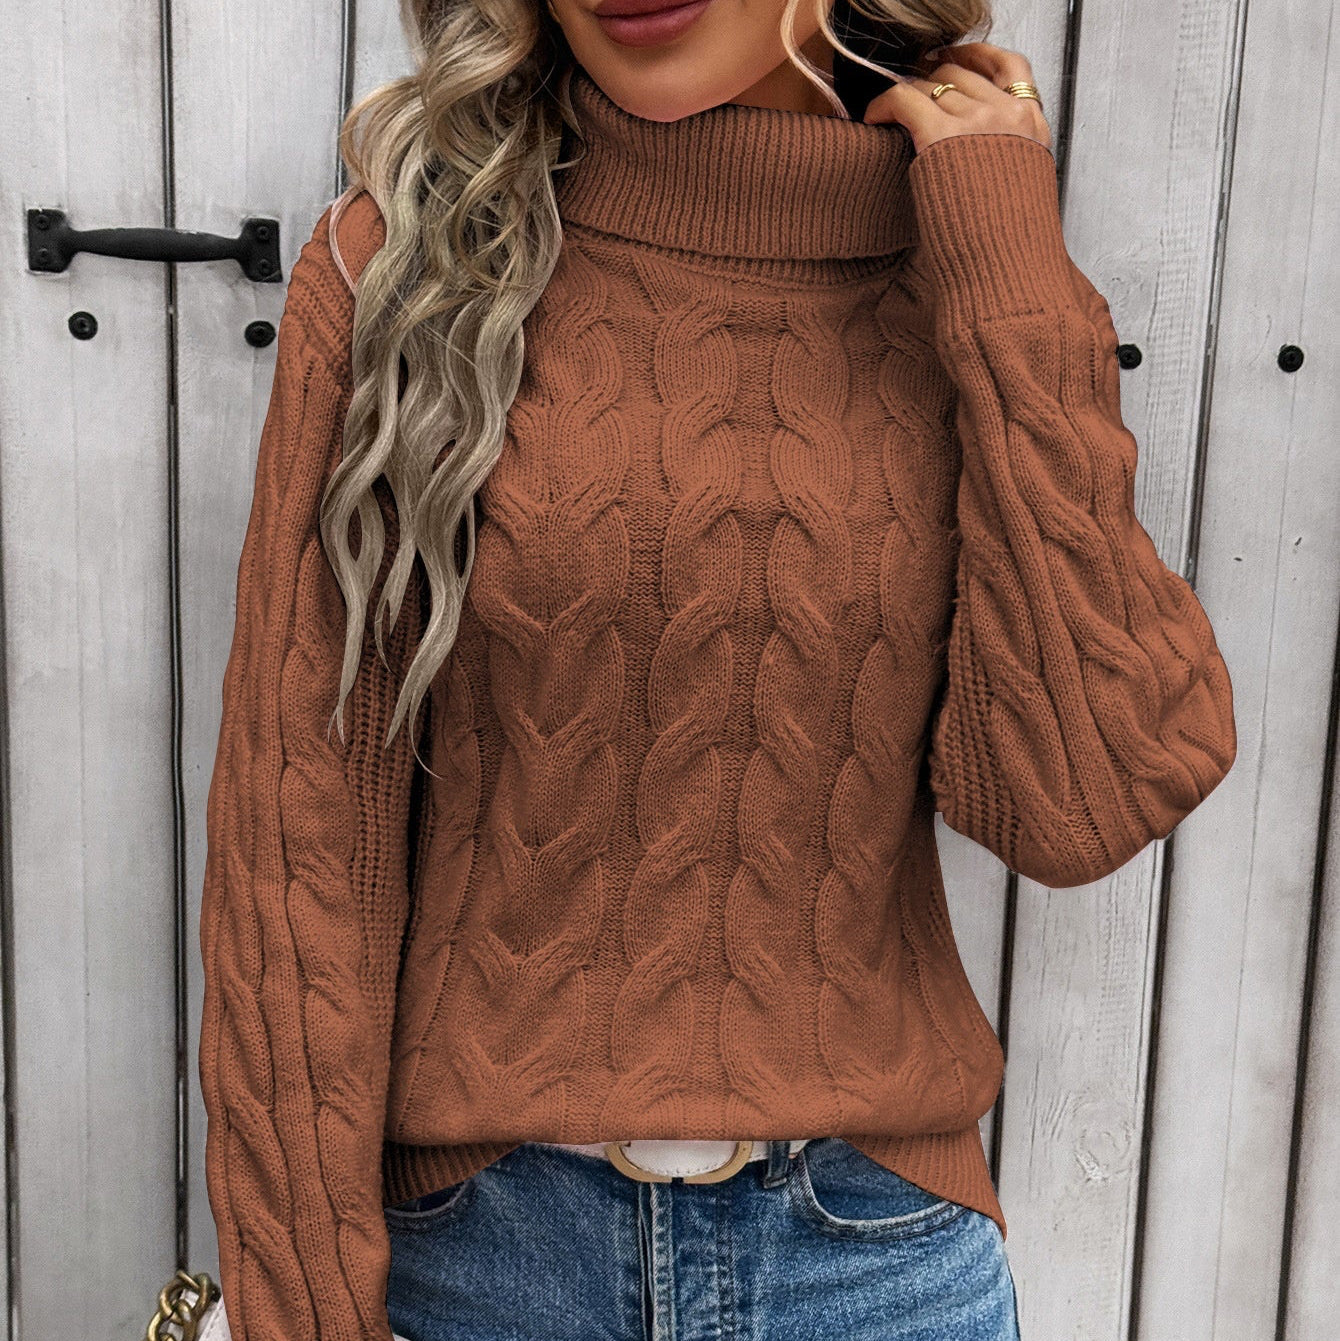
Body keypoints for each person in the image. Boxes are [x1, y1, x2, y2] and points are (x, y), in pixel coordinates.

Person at [197, 0, 1239, 1336]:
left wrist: (1006, 276)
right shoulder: (412, 267)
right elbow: (298, 842)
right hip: (482, 1264)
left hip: (871, 1264)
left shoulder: (970, 274)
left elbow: (1085, 801)